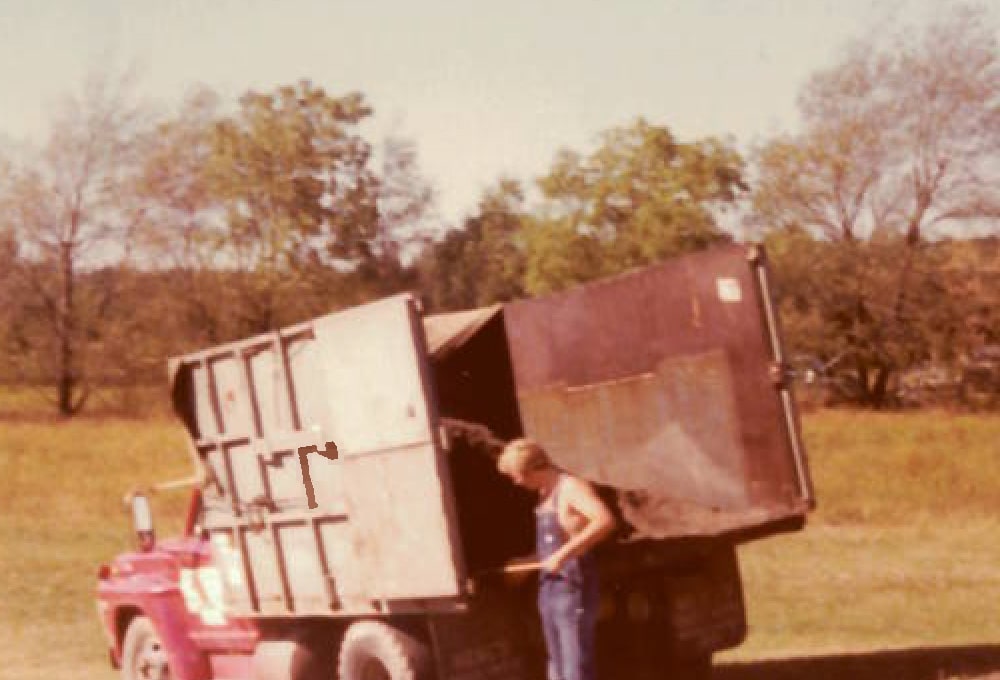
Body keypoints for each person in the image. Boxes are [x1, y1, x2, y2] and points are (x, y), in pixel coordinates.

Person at [497, 438, 616, 680]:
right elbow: (552, 546)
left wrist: (563, 554)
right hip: (548, 589)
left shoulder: (570, 488)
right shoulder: (544, 494)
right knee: (557, 666)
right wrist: (527, 562)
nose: (516, 482)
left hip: (573, 586)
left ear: (532, 470)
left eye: (517, 476)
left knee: (575, 666)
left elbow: (604, 520)